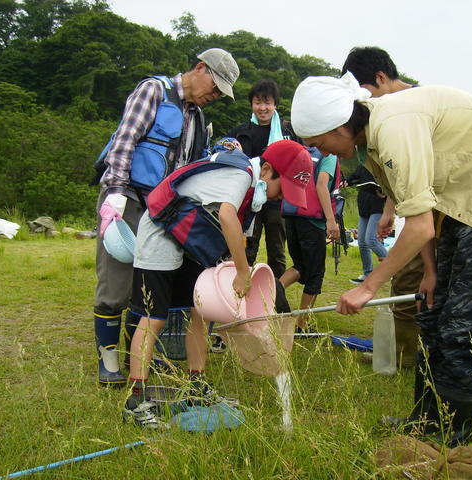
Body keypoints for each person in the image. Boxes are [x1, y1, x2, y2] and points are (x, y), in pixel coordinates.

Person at [291, 73, 472, 445]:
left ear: (338, 125)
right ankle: (424, 423)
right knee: (433, 314)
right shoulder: (370, 142)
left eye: (318, 143)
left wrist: (369, 286)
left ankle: (449, 438)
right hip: (462, 204)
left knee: (465, 326)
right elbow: (418, 210)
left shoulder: (392, 126)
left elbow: (418, 226)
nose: (322, 152)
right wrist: (430, 271)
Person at [123, 139, 313, 428]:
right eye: (284, 188)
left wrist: (241, 274)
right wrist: (239, 271)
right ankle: (135, 401)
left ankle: (195, 387)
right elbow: (226, 214)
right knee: (154, 318)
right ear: (267, 171)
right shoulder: (241, 176)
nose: (282, 198)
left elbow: (241, 239)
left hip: (190, 241)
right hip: (161, 231)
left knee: (200, 312)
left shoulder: (256, 197)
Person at [93, 48, 240, 387]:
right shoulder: (154, 91)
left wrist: (224, 148)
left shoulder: (197, 116)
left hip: (163, 211)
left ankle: (136, 357)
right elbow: (125, 139)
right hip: (127, 198)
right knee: (115, 282)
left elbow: (194, 162)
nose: (214, 96)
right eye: (215, 87)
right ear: (200, 68)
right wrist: (115, 191)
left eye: (221, 94)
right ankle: (108, 359)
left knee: (143, 286)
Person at [341, 46, 420, 369]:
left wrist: (368, 286)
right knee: (407, 279)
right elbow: (400, 176)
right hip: (414, 210)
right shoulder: (385, 117)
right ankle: (403, 353)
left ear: (381, 78)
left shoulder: (411, 109)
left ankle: (413, 357)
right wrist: (390, 211)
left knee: (419, 282)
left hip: (441, 214)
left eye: (365, 95)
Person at [227, 79, 300, 278]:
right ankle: (243, 288)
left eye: (267, 102)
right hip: (249, 199)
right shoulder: (240, 133)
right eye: (258, 102)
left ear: (275, 104)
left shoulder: (289, 133)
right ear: (251, 104)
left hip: (277, 200)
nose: (262, 108)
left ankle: (275, 293)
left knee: (277, 250)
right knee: (248, 245)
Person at [280, 148, 341, 333]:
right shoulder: (329, 154)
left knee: (301, 266)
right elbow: (322, 184)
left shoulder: (302, 152)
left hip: (290, 215)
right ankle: (301, 326)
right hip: (312, 219)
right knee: (315, 273)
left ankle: (273, 290)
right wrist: (331, 220)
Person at [345, 163, 388, 284]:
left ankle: (392, 270)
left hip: (377, 207)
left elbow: (389, 187)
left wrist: (383, 194)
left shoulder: (381, 166)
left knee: (371, 240)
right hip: (364, 208)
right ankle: (368, 274)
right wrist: (346, 182)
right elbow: (351, 178)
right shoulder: (362, 166)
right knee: (362, 242)